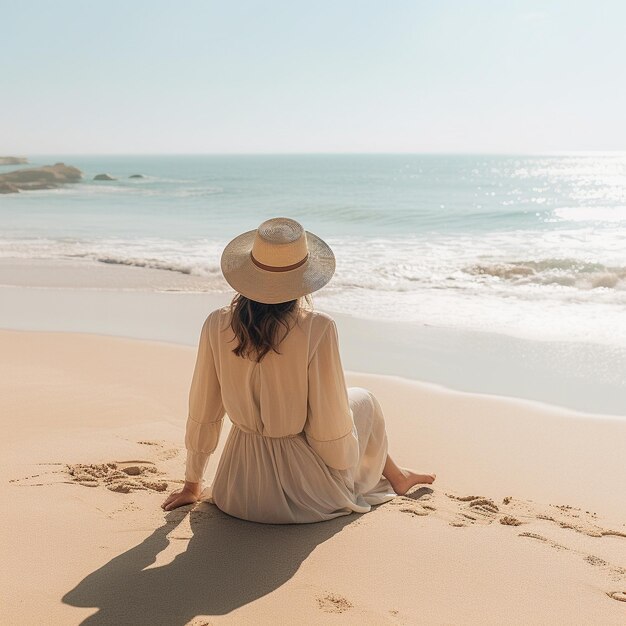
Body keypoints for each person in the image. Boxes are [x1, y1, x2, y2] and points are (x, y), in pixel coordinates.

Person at [161, 217, 435, 523]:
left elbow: (205, 409)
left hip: (236, 492)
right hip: (303, 497)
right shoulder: (317, 327)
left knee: (345, 406)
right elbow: (328, 423)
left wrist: (192, 483)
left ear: (249, 274)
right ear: (304, 276)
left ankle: (399, 475)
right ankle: (397, 476)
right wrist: (345, 466)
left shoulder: (216, 323)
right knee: (363, 400)